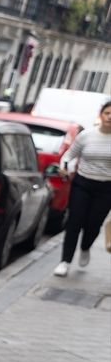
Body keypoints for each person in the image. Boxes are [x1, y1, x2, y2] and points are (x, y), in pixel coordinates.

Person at [54, 100, 111, 276]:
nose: (110, 117)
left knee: (93, 224)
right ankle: (65, 261)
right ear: (101, 115)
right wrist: (65, 168)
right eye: (107, 113)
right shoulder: (86, 136)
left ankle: (85, 247)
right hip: (83, 183)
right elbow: (69, 155)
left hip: (106, 188)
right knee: (74, 221)